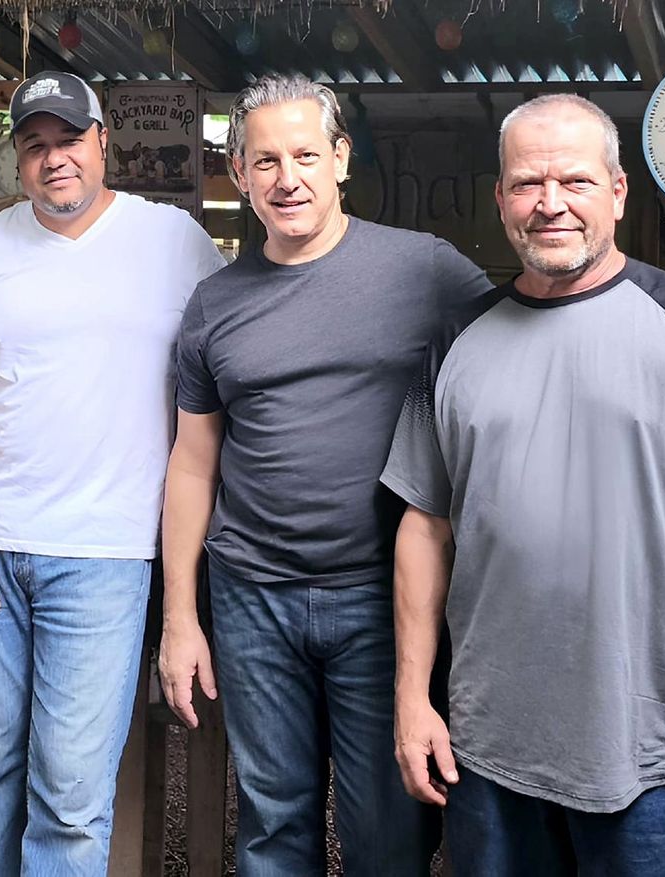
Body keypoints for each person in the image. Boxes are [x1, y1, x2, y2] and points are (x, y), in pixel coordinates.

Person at [382, 94, 665, 875]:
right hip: (486, 746)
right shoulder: (454, 340)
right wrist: (413, 700)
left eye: (574, 181)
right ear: (501, 199)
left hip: (652, 760)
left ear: (617, 192)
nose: (550, 203)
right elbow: (423, 526)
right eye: (527, 183)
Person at [158, 73, 490, 875]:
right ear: (239, 173)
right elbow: (193, 462)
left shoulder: (426, 270)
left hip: (383, 597)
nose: (287, 178)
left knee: (388, 829)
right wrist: (179, 616)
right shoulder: (214, 304)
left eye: (305, 155)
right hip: (253, 596)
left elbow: (517, 358)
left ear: (340, 158)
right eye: (265, 160)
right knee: (273, 825)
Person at [0, 71, 225, 874]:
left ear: (103, 142)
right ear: (15, 158)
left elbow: (224, 379)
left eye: (70, 139)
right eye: (35, 145)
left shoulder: (177, 243)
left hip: (106, 555)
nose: (55, 158)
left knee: (71, 793)